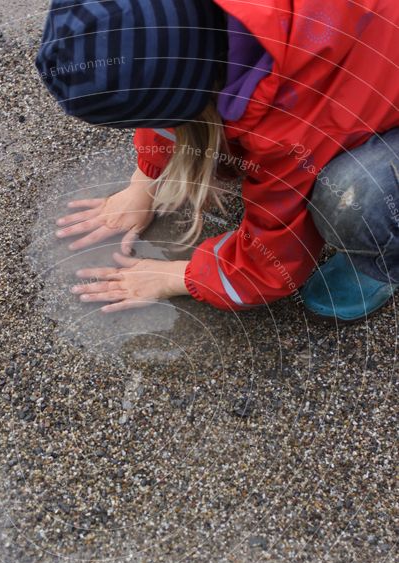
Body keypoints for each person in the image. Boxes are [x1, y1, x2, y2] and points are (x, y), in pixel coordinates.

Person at [36, 0, 399, 322]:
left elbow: (275, 258)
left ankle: (379, 257)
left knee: (356, 199)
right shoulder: (200, 23)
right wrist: (145, 183)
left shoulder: (290, 121)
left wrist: (177, 276)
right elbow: (174, 95)